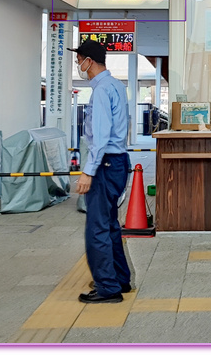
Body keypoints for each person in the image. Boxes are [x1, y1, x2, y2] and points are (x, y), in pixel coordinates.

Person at [70, 39, 132, 304]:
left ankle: (108, 287)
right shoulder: (116, 85)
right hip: (117, 162)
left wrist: (88, 171)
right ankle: (119, 279)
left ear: (89, 62)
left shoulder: (102, 90)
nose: (78, 65)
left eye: (78, 61)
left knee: (97, 228)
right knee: (109, 224)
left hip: (105, 163)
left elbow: (101, 136)